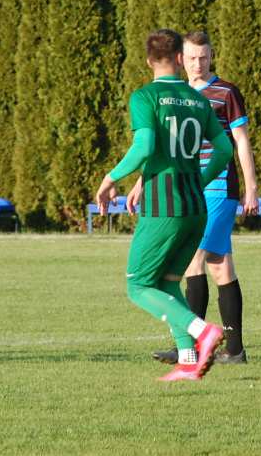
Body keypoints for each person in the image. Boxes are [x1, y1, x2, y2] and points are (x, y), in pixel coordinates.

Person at [95, 29, 234, 382]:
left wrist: (110, 179)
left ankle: (202, 332)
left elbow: (143, 147)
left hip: (164, 207)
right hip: (196, 207)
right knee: (169, 282)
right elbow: (224, 151)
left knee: (138, 285)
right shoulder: (198, 99)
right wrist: (199, 180)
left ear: (148, 61)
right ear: (177, 58)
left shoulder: (145, 97)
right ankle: (188, 360)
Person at [135, 31, 258, 365]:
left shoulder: (226, 92)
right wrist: (142, 182)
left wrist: (251, 187)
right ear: (180, 59)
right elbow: (161, 147)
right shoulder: (178, 95)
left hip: (218, 186)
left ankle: (190, 342)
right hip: (186, 186)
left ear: (211, 56)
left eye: (203, 57)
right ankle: (233, 350)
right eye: (191, 57)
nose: (197, 63)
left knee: (194, 260)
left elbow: (239, 141)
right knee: (220, 266)